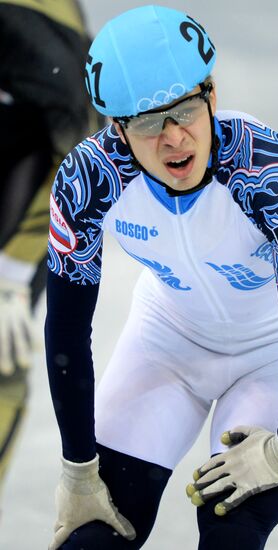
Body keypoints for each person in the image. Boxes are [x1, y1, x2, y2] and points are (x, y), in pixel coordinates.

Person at [45, 5, 278, 550]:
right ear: (117, 128)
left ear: (211, 92)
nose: (174, 138)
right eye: (147, 122)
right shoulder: (87, 181)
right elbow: (66, 330)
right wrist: (78, 469)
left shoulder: (271, 171)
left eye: (184, 110)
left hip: (272, 356)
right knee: (92, 538)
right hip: (165, 344)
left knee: (230, 533)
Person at [0, 0, 101, 497]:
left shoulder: (29, 32)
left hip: (36, 161)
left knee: (1, 352)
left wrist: (14, 268)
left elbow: (84, 132)